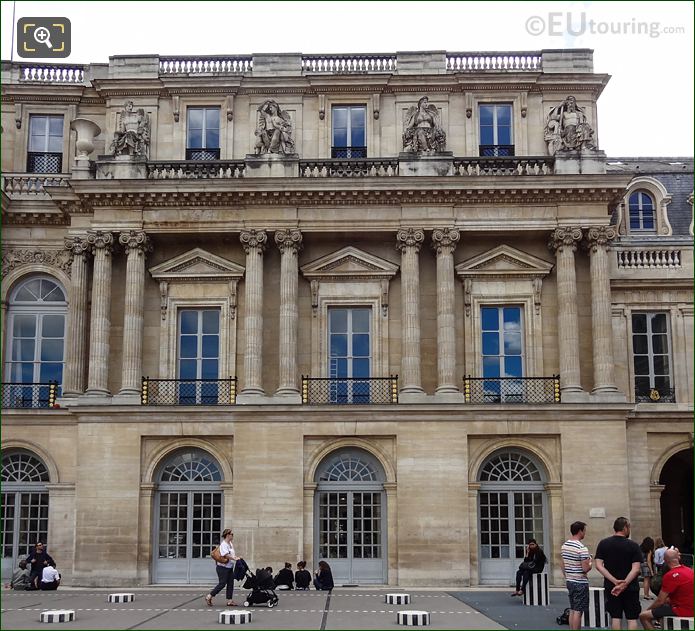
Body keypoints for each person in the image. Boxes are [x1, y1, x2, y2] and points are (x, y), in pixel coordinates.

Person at [595, 517, 643, 631]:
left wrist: (615, 581)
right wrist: (624, 583)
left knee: (615, 617)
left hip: (612, 587)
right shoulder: (633, 545)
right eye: (629, 527)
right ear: (625, 528)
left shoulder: (603, 543)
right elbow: (636, 569)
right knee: (632, 618)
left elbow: (598, 565)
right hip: (631, 587)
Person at [639, 548, 694, 630]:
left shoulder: (670, 575)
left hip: (683, 610)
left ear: (665, 560)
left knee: (643, 616)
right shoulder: (690, 571)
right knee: (664, 605)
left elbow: (660, 600)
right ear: (678, 558)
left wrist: (648, 610)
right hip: (690, 606)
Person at [560, 521, 593, 630]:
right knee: (579, 611)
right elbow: (585, 569)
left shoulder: (564, 546)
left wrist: (567, 576)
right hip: (580, 582)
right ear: (580, 531)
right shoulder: (582, 548)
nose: (585, 533)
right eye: (584, 531)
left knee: (573, 609)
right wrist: (590, 563)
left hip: (570, 580)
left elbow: (562, 564)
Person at [205, 529, 240, 607]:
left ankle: (230, 601)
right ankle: (209, 596)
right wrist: (234, 558)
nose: (233, 535)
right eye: (232, 534)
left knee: (230, 583)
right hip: (222, 568)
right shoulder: (224, 544)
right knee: (222, 583)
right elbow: (225, 555)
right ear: (227, 535)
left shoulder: (230, 543)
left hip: (229, 567)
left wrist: (236, 557)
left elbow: (231, 554)